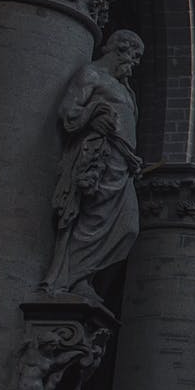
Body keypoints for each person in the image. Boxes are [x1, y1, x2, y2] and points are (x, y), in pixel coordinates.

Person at [41, 29, 144, 302]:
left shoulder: (124, 89)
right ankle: (70, 278)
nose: (133, 62)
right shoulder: (92, 75)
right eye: (132, 54)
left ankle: (81, 275)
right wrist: (91, 116)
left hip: (123, 164)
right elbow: (69, 110)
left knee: (128, 227)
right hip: (99, 158)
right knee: (90, 219)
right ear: (116, 49)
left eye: (137, 57)